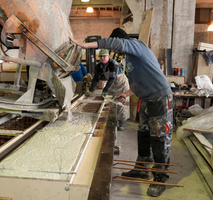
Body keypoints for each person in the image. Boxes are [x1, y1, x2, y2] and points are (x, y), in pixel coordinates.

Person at [69, 28, 173, 197]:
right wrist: (126, 93)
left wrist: (84, 45)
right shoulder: (131, 57)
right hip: (146, 99)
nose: (114, 50)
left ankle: (161, 177)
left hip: (160, 99)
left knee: (160, 140)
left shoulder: (136, 46)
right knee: (144, 135)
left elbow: (117, 43)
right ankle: (142, 169)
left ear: (120, 41)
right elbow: (140, 81)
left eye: (115, 46)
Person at [85, 49, 130, 131]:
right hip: (112, 84)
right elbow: (96, 79)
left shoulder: (113, 64)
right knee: (111, 102)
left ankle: (122, 123)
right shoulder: (99, 66)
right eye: (101, 56)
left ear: (108, 56)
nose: (102, 58)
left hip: (121, 84)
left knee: (122, 103)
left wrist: (105, 90)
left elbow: (112, 78)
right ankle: (114, 120)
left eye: (104, 56)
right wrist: (91, 90)